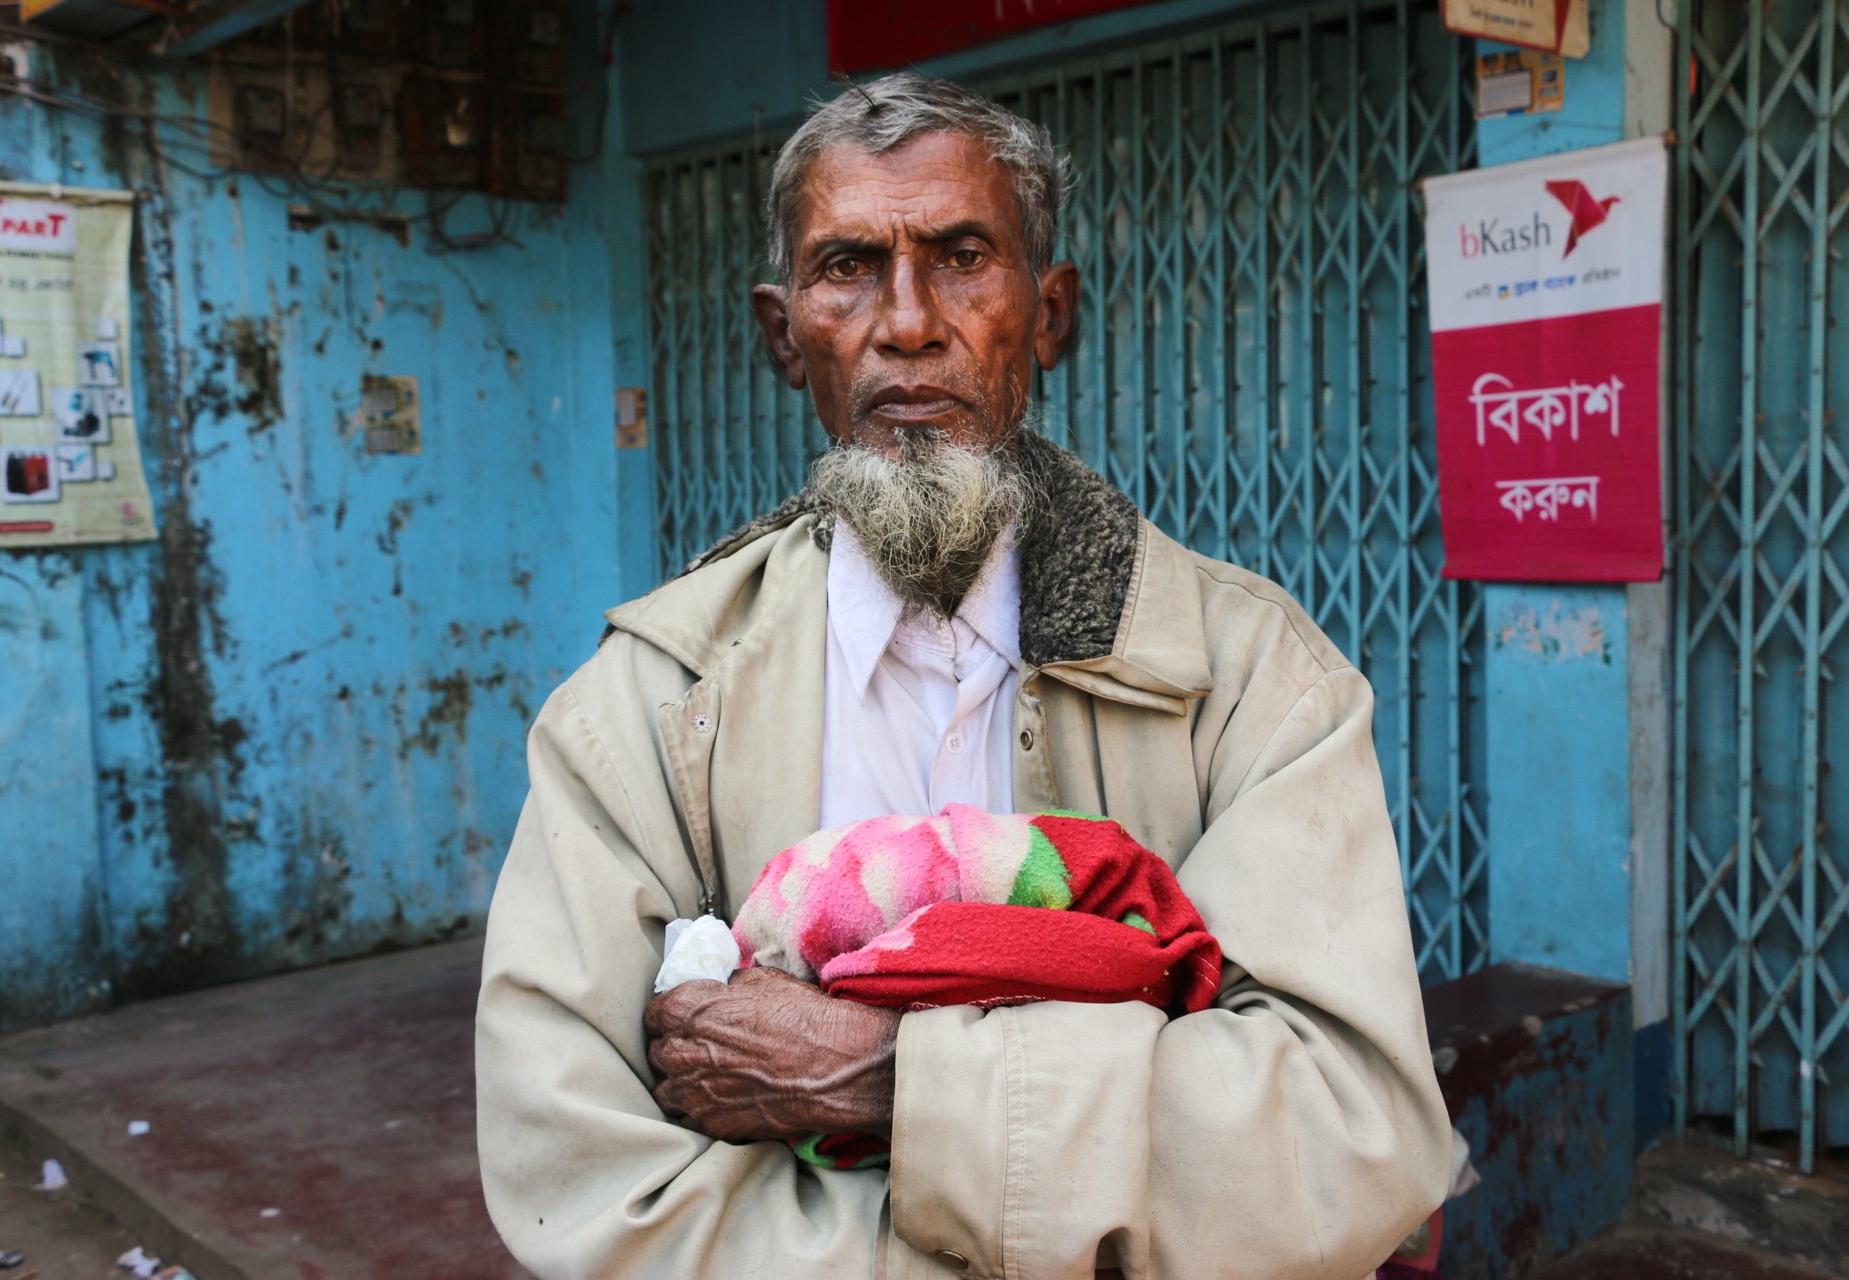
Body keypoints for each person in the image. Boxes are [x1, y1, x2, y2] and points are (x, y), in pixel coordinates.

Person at [476, 72, 1452, 1279]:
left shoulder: (1251, 677)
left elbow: (1348, 1132)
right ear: (786, 335)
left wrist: (888, 1077)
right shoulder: (643, 713)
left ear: (1049, 315)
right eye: (847, 268)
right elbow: (582, 1178)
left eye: (961, 256)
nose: (907, 322)